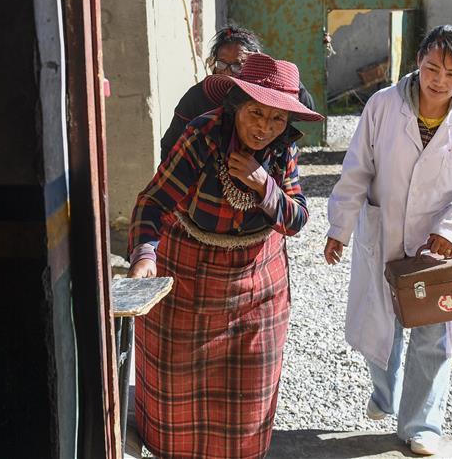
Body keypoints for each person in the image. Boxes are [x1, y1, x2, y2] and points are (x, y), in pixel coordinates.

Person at [128, 53, 324, 459]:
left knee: (250, 392)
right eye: (256, 113)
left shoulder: (283, 148)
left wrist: (264, 185)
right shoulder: (203, 134)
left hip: (259, 285)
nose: (264, 128)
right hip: (189, 274)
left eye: (277, 119)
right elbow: (154, 201)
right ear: (236, 105)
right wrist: (145, 254)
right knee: (175, 387)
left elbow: (298, 218)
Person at [323, 25, 452, 456]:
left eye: (451, 73)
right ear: (418, 62)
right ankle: (384, 392)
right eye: (432, 68)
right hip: (384, 231)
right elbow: (357, 169)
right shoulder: (383, 105)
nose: (439, 80)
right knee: (381, 322)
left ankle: (422, 425)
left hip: (437, 246)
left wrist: (450, 230)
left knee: (433, 328)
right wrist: (340, 227)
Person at [160, 24, 316, 161]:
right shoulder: (198, 97)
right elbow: (171, 145)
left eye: (237, 65)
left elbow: (308, 106)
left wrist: (285, 80)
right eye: (222, 64)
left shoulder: (268, 98)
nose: (228, 72)